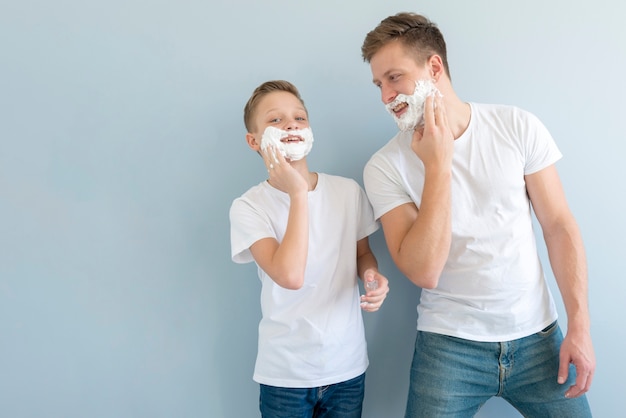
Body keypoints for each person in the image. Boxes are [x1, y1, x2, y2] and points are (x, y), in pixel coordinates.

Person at [360, 12, 594, 417]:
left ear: (434, 67)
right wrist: (437, 166)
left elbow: (559, 227)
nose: (386, 96)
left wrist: (580, 326)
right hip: (448, 349)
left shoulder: (517, 126)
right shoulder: (383, 167)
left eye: (394, 78)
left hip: (539, 339)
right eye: (379, 85)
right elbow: (424, 271)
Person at [229, 80, 390, 418]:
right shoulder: (249, 207)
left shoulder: (347, 192)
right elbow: (289, 275)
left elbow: (362, 253)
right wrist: (298, 194)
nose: (291, 124)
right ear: (253, 141)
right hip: (284, 374)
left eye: (299, 118)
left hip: (346, 368)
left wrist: (371, 275)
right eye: (275, 120)